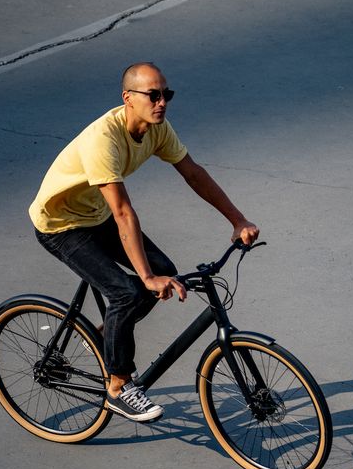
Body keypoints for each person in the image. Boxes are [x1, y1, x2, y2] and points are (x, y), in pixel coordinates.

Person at [29, 62, 259, 423]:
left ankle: (107, 339)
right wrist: (146, 279)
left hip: (94, 214)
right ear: (128, 98)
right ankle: (119, 386)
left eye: (167, 94)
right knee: (129, 292)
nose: (162, 102)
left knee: (165, 271)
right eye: (153, 95)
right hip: (61, 224)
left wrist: (237, 219)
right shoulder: (103, 139)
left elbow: (194, 173)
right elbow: (122, 213)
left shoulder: (158, 129)